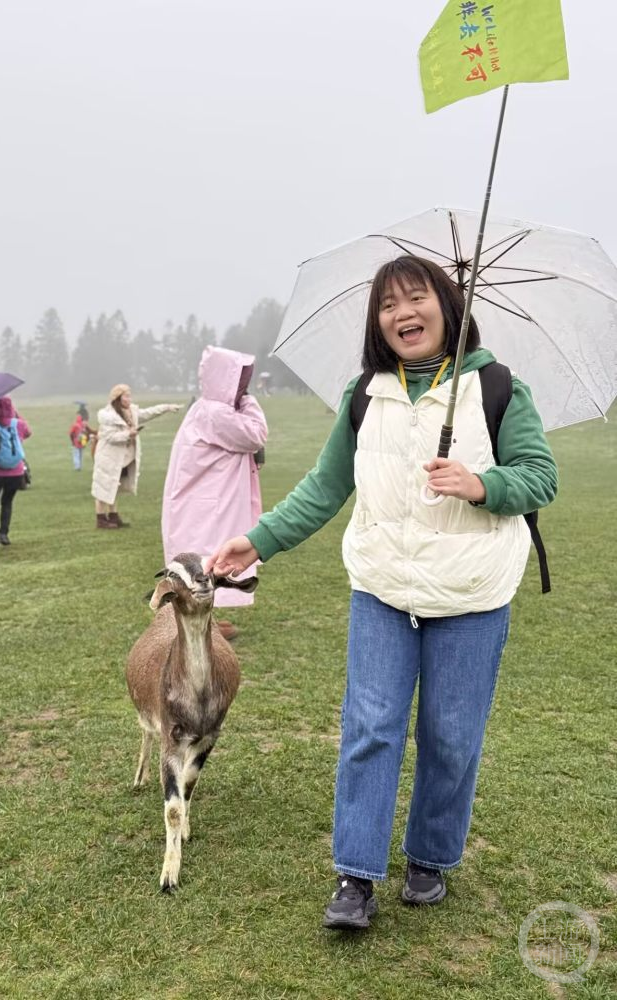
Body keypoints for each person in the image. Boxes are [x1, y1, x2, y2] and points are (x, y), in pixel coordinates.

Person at [206, 256, 558, 931]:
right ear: (378, 323)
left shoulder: (498, 388)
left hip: (472, 593)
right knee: (371, 729)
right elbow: (326, 484)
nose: (403, 313)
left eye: (416, 297)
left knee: (451, 736)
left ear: (447, 307)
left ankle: (429, 857)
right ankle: (356, 876)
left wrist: (483, 484)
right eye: (388, 304)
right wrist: (261, 539)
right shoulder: (366, 393)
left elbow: (539, 478)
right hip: (382, 589)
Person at [162, 346, 268, 640]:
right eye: (240, 381)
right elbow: (256, 434)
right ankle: (199, 625)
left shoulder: (205, 409)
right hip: (205, 506)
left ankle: (205, 621)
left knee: (207, 560)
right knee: (205, 560)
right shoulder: (214, 413)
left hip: (205, 502)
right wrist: (249, 401)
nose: (243, 387)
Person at [91, 384, 180, 529]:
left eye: (129, 395)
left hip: (121, 458)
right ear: (118, 398)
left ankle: (113, 516)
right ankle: (101, 519)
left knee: (114, 487)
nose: (129, 399)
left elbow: (149, 413)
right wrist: (128, 434)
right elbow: (109, 437)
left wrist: (167, 407)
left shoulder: (131, 412)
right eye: (126, 396)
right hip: (108, 457)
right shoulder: (107, 416)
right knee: (102, 488)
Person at [0, 396, 32, 552]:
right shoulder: (18, 424)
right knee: (7, 502)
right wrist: (17, 416)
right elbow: (28, 432)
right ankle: (4, 533)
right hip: (16, 471)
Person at [69, 405, 95, 472]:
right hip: (82, 442)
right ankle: (79, 466)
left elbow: (71, 433)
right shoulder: (83, 425)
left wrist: (72, 441)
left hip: (76, 442)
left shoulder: (75, 425)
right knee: (80, 455)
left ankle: (77, 467)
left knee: (76, 454)